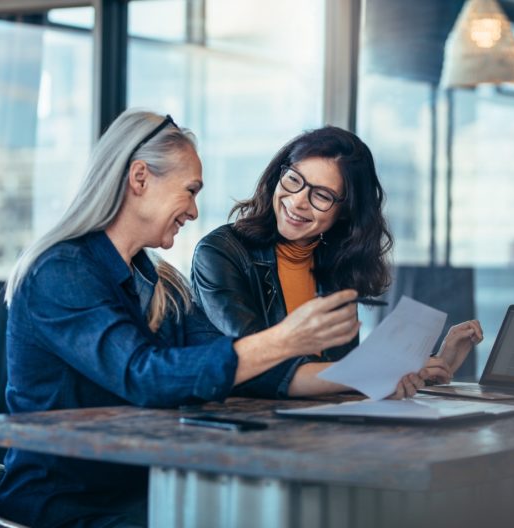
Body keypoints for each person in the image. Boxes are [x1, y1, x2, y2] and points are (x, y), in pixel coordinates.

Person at [0, 111, 371, 528]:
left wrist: (376, 375)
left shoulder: (160, 283)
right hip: (67, 508)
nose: (194, 211)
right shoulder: (61, 272)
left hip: (145, 495)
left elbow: (238, 370)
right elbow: (144, 376)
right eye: (190, 191)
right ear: (140, 179)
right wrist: (285, 339)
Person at [191, 126, 484, 398]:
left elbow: (341, 374)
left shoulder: (337, 264)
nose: (297, 201)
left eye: (321, 195)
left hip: (318, 426)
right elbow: (258, 361)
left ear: (345, 212)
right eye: (293, 180)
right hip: (244, 429)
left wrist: (427, 367)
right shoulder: (221, 252)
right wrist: (376, 373)